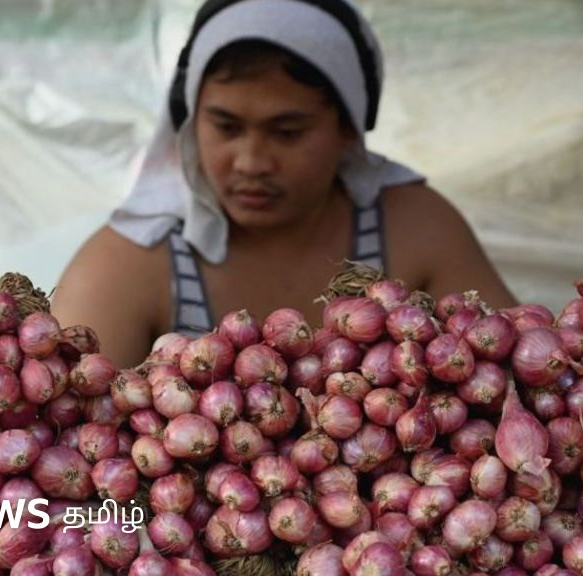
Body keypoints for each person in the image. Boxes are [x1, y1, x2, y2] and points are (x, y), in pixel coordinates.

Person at [52, 0, 516, 369]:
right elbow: (62, 420)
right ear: (191, 124)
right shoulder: (134, 261)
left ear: (349, 130)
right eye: (226, 127)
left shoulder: (415, 228)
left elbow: (518, 363)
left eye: (287, 132)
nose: (252, 162)